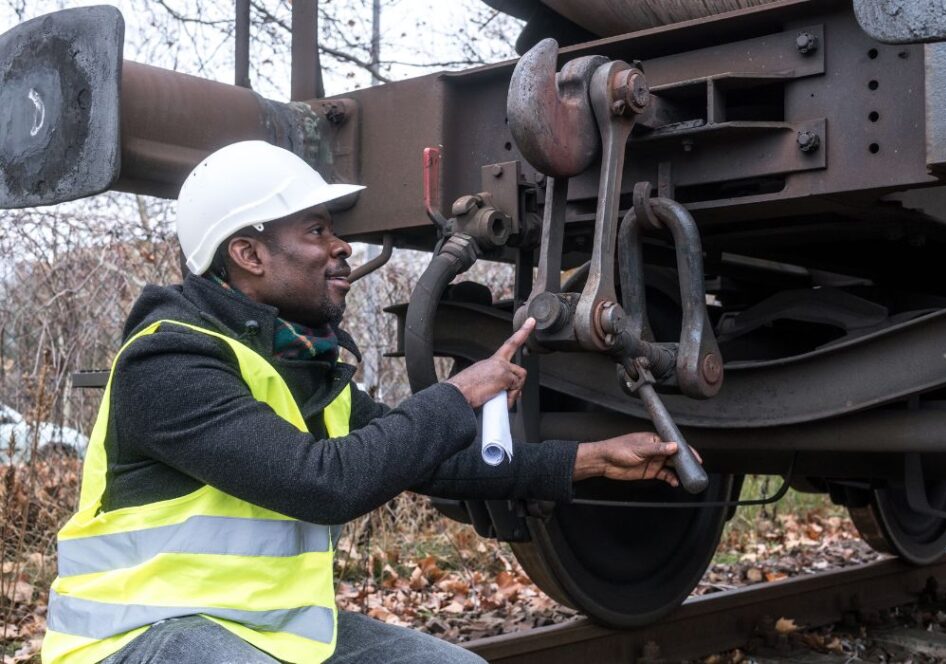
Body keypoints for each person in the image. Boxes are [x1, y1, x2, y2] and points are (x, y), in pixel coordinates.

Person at [42, 141, 684, 664]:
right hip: (139, 638)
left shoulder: (298, 365)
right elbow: (324, 483)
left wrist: (586, 460)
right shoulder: (170, 362)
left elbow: (431, 461)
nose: (342, 246)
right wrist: (459, 393)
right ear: (248, 254)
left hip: (262, 634)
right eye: (317, 230)